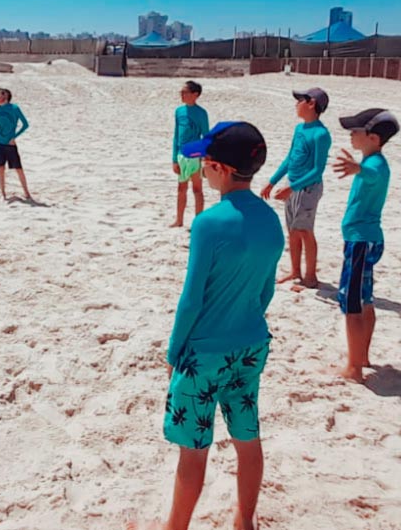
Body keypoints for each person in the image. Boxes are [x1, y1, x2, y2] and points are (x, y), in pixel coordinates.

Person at [163, 122, 284, 530]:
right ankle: (244, 520)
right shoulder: (271, 220)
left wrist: (174, 351)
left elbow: (191, 299)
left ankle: (175, 527)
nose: (202, 169)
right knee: (247, 438)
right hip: (251, 344)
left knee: (194, 451)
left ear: (220, 168)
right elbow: (265, 291)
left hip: (204, 353)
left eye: (205, 162)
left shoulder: (209, 223)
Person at [332, 108, 399, 383]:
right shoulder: (373, 162)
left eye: (355, 131)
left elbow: (371, 174)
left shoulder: (375, 165)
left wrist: (357, 169)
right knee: (366, 300)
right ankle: (362, 357)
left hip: (361, 241)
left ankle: (354, 368)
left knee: (353, 305)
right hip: (365, 239)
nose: (351, 135)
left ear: (373, 138)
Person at [261, 88, 332, 288]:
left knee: (305, 230)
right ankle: (295, 271)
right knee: (292, 230)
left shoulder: (321, 134)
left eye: (300, 100)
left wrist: (292, 188)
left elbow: (317, 170)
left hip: (308, 188)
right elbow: (290, 158)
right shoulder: (299, 129)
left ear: (311, 104)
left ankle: (311, 276)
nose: (296, 104)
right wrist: (273, 181)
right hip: (292, 184)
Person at [0, 87, 32, 200]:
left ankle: (26, 192)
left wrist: (14, 137)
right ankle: (3, 193)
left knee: (18, 168)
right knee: (0, 168)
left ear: (5, 96)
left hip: (10, 143)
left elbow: (25, 125)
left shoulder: (14, 108)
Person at [170, 81, 210, 227]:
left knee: (197, 189)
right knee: (181, 188)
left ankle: (198, 223)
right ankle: (179, 220)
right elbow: (176, 135)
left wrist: (205, 159)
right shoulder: (179, 111)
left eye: (185, 92)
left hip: (195, 156)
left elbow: (206, 137)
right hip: (181, 155)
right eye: (181, 92)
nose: (181, 95)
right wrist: (174, 159)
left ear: (195, 94)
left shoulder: (201, 113)